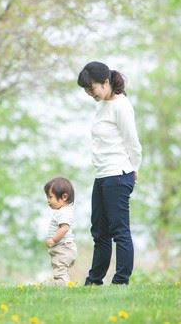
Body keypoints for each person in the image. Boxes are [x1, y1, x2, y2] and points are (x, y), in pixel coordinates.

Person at [77, 61, 142, 286]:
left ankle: (121, 281)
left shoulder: (121, 106)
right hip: (102, 175)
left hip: (118, 174)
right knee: (99, 232)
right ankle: (94, 281)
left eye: (91, 88)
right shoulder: (104, 105)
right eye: (86, 91)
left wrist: (134, 168)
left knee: (119, 231)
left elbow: (132, 142)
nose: (89, 94)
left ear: (105, 82)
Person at [44, 176, 77, 285]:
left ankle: (63, 290)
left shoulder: (63, 212)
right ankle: (63, 286)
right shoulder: (64, 211)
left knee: (60, 272)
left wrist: (53, 240)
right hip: (67, 247)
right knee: (61, 270)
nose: (48, 201)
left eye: (50, 197)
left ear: (64, 197)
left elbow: (64, 228)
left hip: (63, 248)